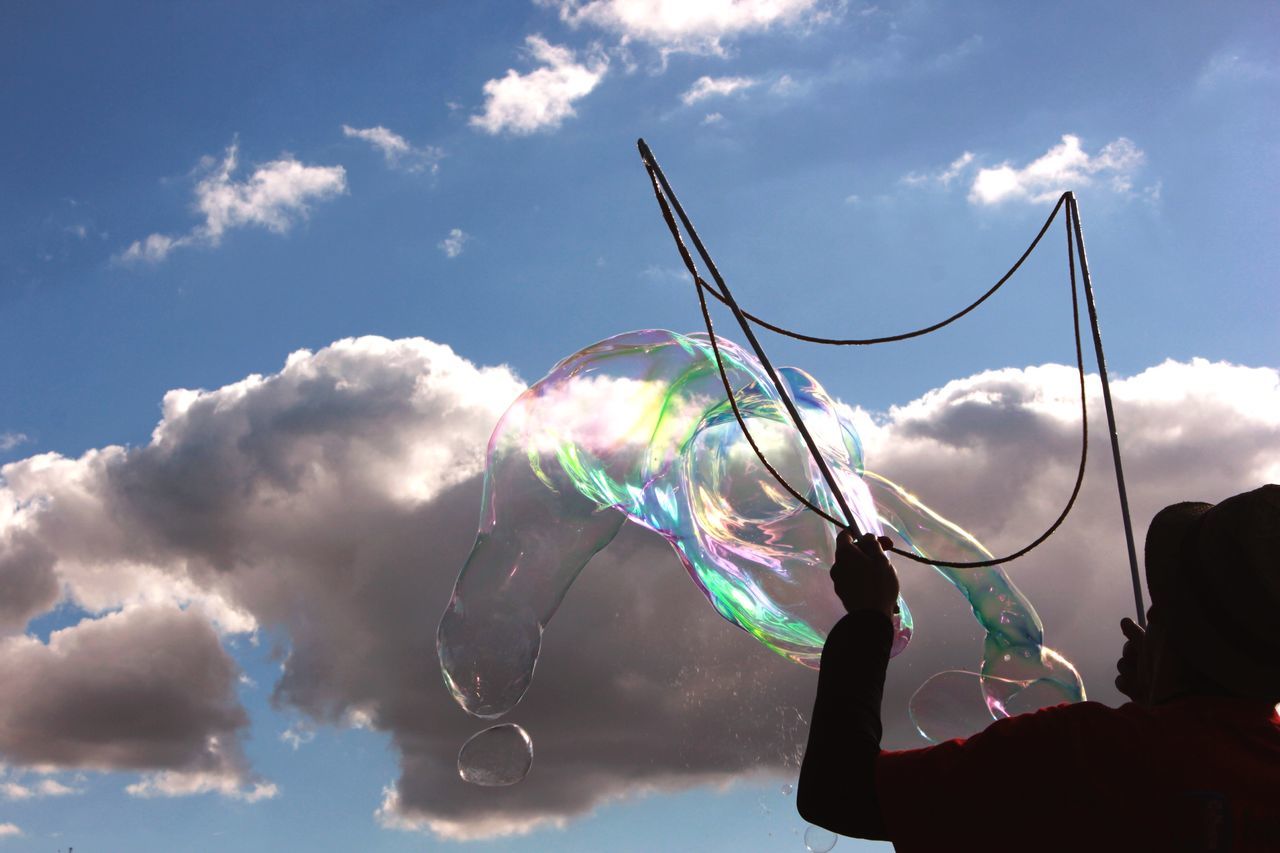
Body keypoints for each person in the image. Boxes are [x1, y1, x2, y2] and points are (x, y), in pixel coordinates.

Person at [797, 484, 1280, 852]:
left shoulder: (1085, 753)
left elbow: (840, 792)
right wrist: (1166, 704)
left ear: (1170, 627)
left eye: (1158, 610)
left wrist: (867, 618)